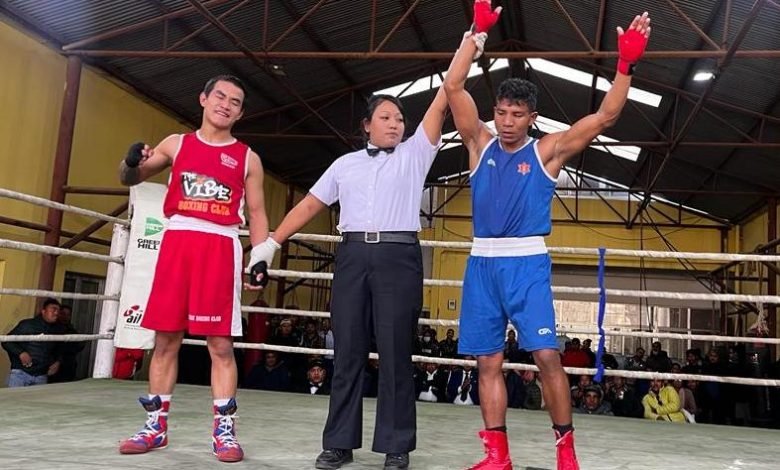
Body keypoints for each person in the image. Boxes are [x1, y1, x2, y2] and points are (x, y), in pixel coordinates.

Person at [442, 2, 652, 468]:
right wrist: (475, 34)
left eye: (516, 114)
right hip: (482, 265)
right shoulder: (478, 143)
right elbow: (453, 86)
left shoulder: (547, 152)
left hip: (527, 265)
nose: (506, 121)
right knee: (487, 363)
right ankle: (497, 457)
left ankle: (566, 452)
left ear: (532, 118)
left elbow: (605, 118)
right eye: (501, 112)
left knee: (547, 357)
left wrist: (625, 66)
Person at [249, 82, 448, 470]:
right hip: (353, 255)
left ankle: (396, 445)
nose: (395, 124)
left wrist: (468, 49)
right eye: (385, 117)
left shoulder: (415, 154)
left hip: (398, 255)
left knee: (395, 353)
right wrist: (270, 244)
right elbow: (310, 204)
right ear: (367, 125)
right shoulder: (344, 165)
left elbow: (443, 100)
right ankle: (339, 442)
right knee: (347, 351)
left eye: (400, 118)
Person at [116, 74, 271, 463]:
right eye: (220, 96)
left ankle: (224, 432)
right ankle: (155, 426)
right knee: (165, 340)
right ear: (203, 99)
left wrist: (260, 259)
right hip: (177, 242)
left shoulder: (248, 158)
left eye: (235, 101)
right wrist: (130, 160)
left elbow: (256, 213)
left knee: (220, 344)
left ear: (240, 113)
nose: (225, 104)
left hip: (220, 246)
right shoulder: (176, 143)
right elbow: (130, 177)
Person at [2, 298, 65, 387]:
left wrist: (58, 362)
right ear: (43, 311)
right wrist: (21, 353)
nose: (56, 313)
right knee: (14, 396)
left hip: (41, 375)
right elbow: (6, 341)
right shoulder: (27, 325)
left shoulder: (58, 330)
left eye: (58, 310)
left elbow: (60, 349)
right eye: (53, 309)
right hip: (21, 374)